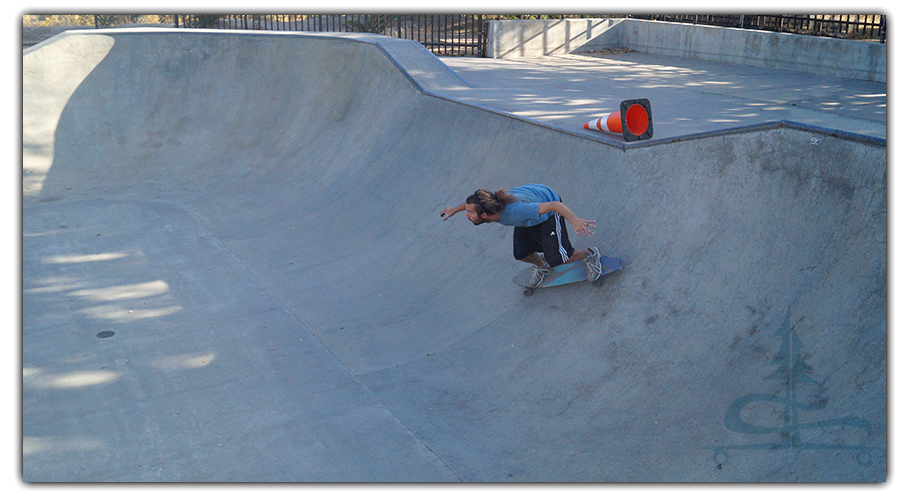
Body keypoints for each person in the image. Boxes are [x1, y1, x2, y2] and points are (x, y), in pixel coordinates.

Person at [441, 184, 602, 287]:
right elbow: (472, 203)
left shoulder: (517, 211)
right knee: (521, 253)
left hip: (549, 211)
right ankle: (542, 265)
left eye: (469, 213)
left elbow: (555, 205)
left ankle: (589, 254)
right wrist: (454, 210)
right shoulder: (487, 207)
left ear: (484, 215)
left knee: (560, 258)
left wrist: (574, 220)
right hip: (528, 218)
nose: (467, 215)